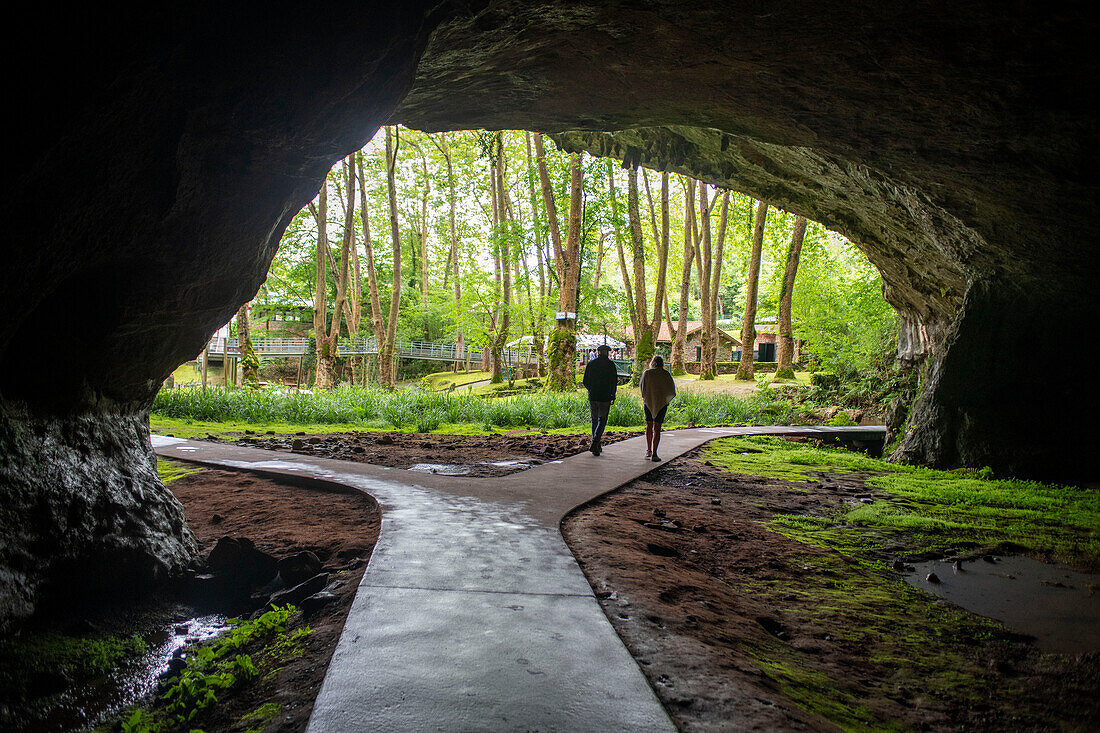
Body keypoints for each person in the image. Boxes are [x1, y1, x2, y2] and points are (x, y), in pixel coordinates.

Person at [582, 343, 618, 455]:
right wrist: (613, 394)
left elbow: (585, 381)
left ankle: (596, 444)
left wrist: (591, 390)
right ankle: (595, 442)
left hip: (593, 396)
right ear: (607, 353)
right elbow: (614, 381)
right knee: (602, 420)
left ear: (598, 352)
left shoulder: (591, 364)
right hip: (605, 396)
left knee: (594, 420)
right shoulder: (610, 365)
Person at [639, 354, 676, 461]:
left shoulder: (647, 373)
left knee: (649, 426)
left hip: (649, 403)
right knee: (657, 429)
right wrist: (665, 400)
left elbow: (642, 388)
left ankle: (648, 450)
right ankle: (655, 453)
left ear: (653, 363)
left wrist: (646, 398)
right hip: (661, 404)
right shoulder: (666, 374)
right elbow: (671, 390)